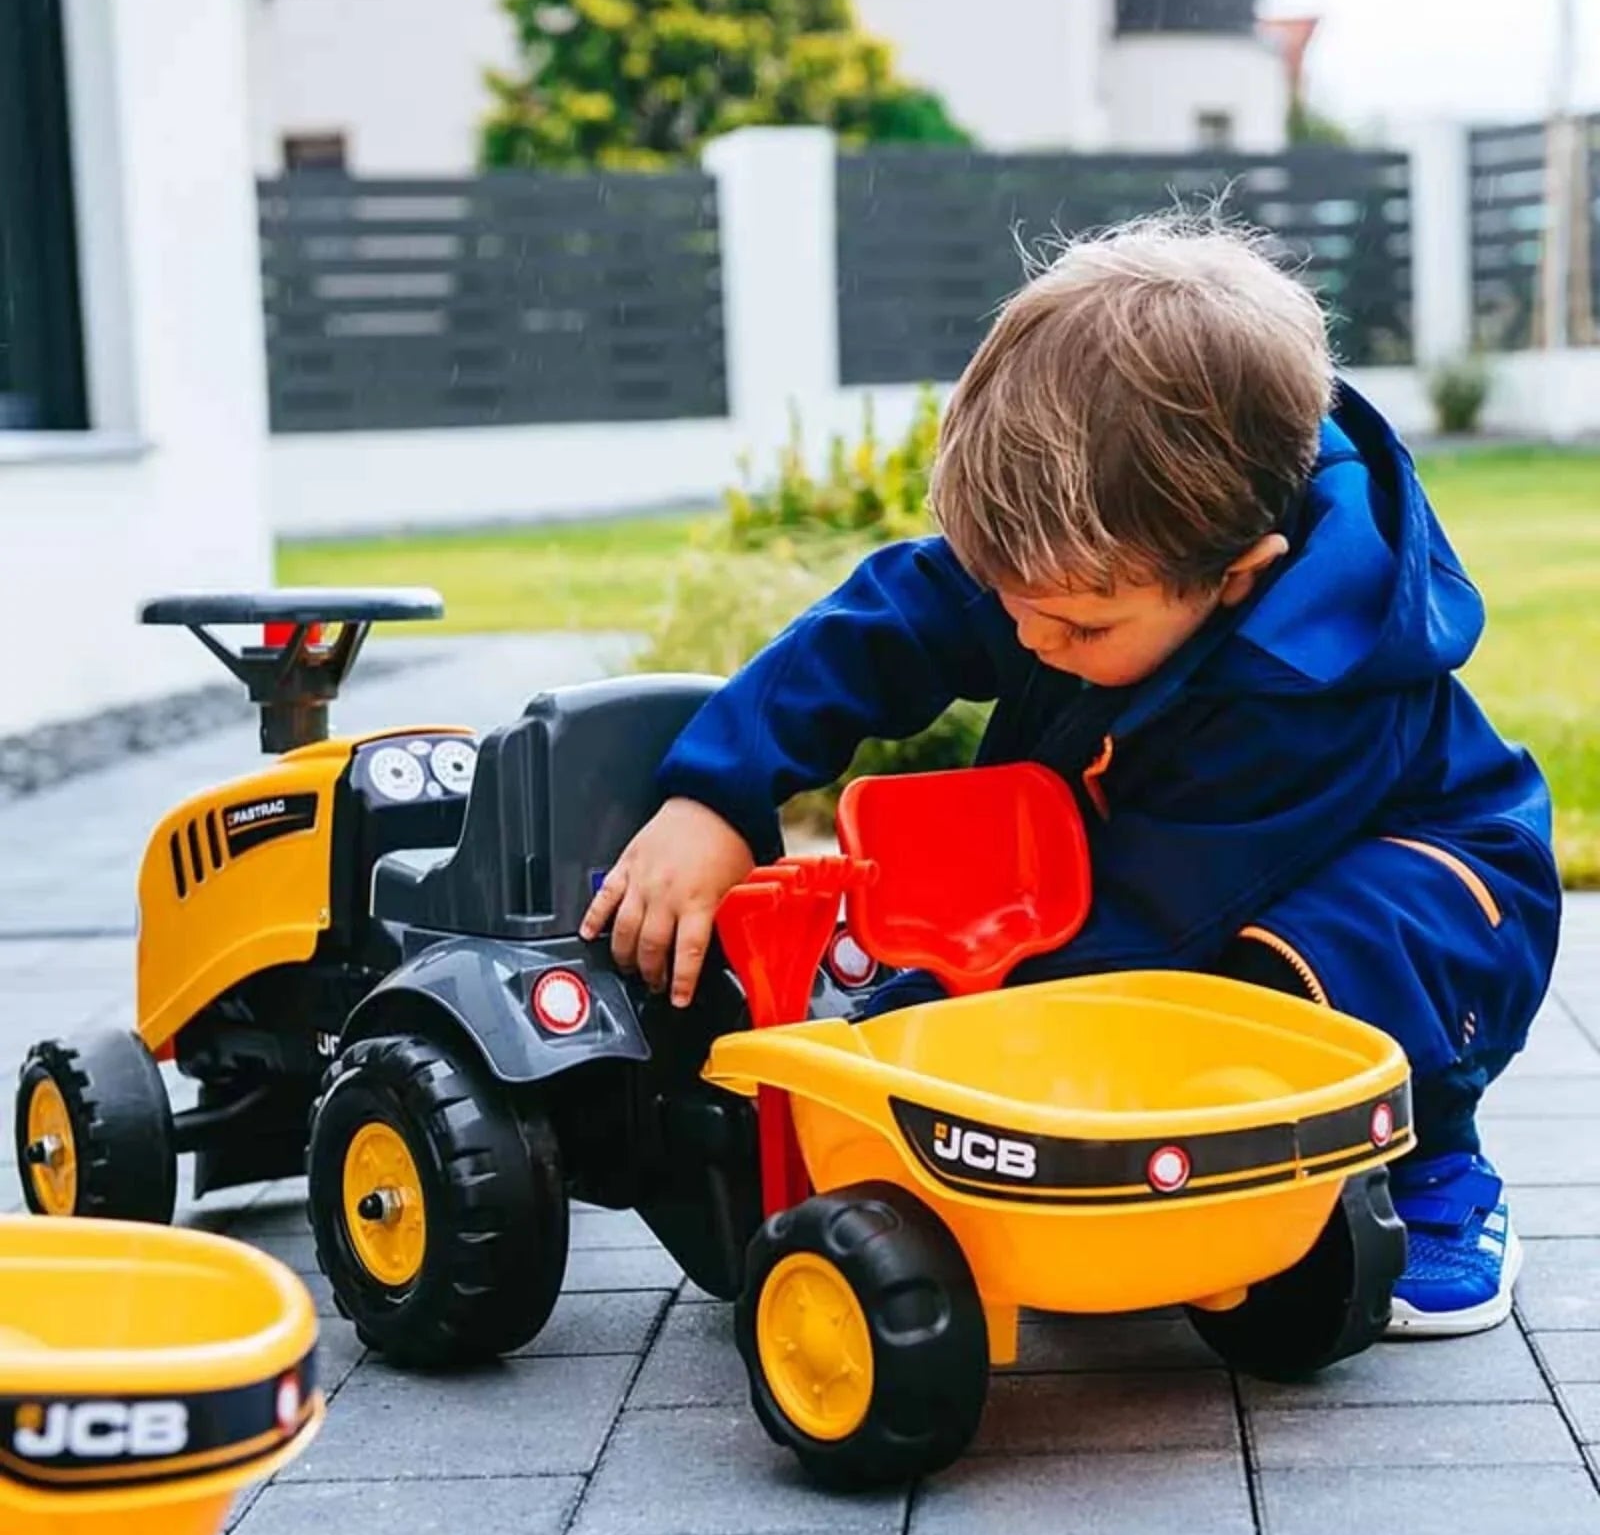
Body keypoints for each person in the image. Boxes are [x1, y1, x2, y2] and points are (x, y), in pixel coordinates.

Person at [580, 212, 1561, 1338]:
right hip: (1153, 854)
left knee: (1292, 968)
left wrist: (897, 1046)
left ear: (1239, 577)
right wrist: (715, 794)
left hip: (1426, 890)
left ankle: (1433, 1162)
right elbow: (877, 630)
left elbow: (1145, 930)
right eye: (1005, 599)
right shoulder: (1077, 559)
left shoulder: (1314, 686)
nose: (1029, 638)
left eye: (1078, 626)